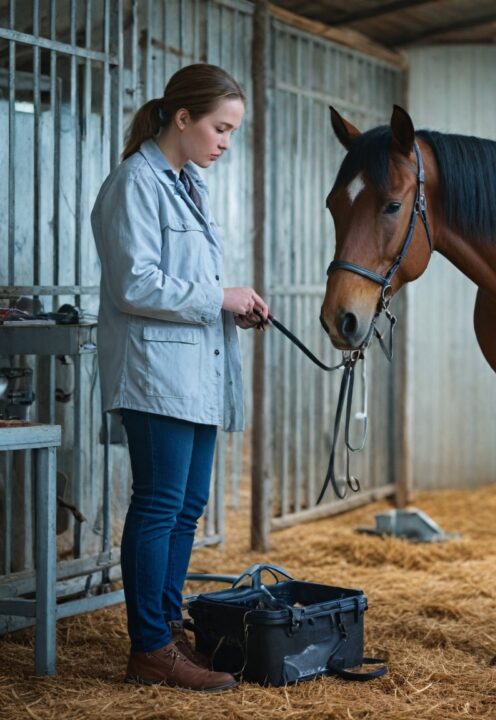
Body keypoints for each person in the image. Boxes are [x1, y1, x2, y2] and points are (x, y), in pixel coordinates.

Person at [91, 63, 268, 691]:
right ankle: (149, 648)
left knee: (187, 507)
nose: (225, 142)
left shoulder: (188, 184)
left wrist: (231, 308)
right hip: (156, 373)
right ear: (183, 117)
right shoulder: (133, 183)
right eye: (220, 128)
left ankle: (168, 630)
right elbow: (134, 284)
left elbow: (184, 284)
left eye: (232, 132)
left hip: (195, 371)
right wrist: (220, 297)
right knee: (160, 505)